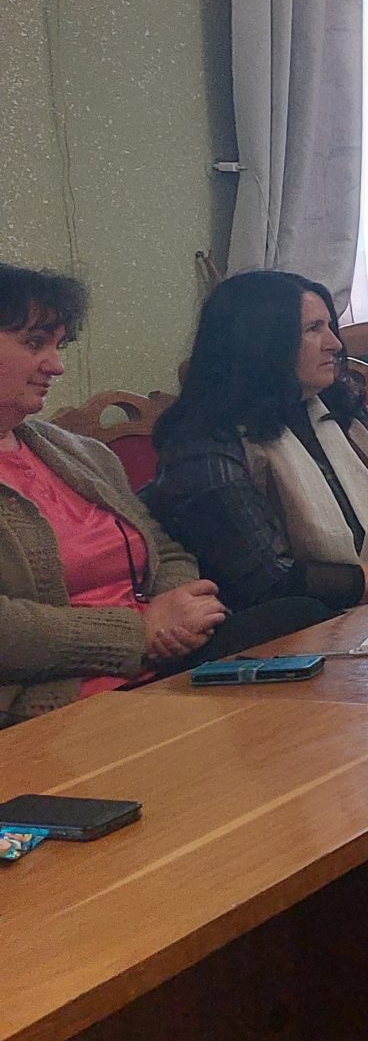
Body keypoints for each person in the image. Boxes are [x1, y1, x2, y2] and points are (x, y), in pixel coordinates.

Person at [0, 265, 310, 726]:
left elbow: (162, 544)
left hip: (163, 661)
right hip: (59, 698)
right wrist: (139, 631)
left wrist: (179, 612)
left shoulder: (79, 452)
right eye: (34, 343)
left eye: (58, 346)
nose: (56, 365)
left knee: (301, 620)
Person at [145, 271, 368, 619]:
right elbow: (269, 582)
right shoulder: (205, 444)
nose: (334, 343)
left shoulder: (341, 404)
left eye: (329, 326)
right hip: (303, 623)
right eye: (313, 329)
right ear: (261, 342)